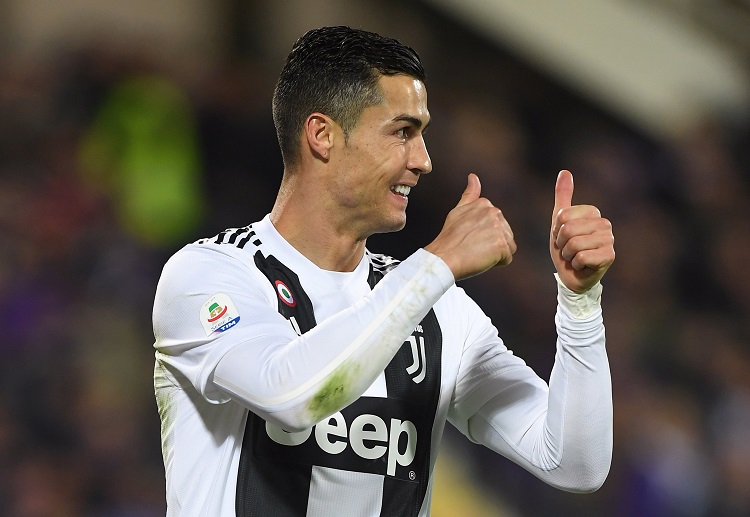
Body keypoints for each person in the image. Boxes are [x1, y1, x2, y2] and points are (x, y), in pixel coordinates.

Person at [152, 25, 615, 517]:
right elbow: (291, 397)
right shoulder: (209, 276)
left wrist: (580, 303)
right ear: (323, 135)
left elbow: (575, 464)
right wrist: (437, 262)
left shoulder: (440, 312)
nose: (424, 161)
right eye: (402, 132)